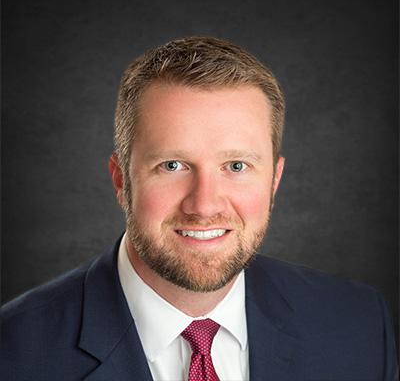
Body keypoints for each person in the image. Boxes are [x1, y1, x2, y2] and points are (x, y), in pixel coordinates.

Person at [1, 36, 398, 381]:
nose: (204, 206)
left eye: (236, 166)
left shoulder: (359, 325)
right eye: (172, 165)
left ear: (274, 180)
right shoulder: (13, 352)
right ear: (121, 180)